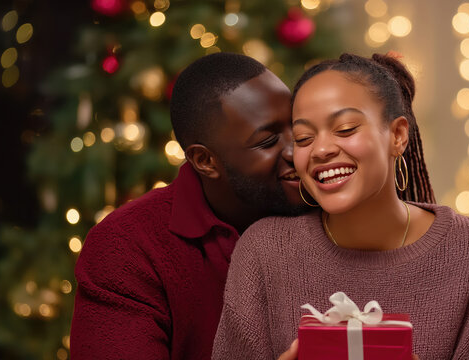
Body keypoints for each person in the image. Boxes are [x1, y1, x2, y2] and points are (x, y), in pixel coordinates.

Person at [212, 53, 469, 359]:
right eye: (303, 138)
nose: (321, 149)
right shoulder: (264, 252)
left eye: (345, 129)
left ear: (397, 135)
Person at [70, 52, 307, 359]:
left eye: (299, 129)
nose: (299, 152)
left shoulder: (330, 208)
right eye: (267, 141)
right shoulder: (127, 245)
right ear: (205, 161)